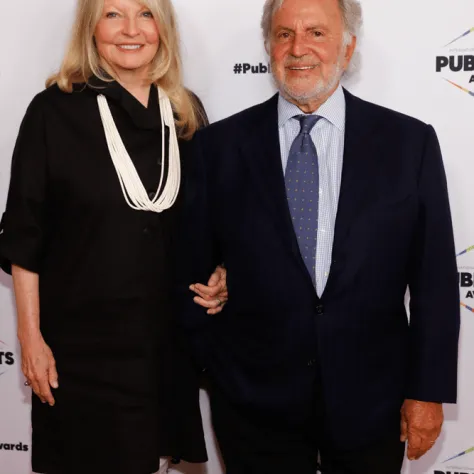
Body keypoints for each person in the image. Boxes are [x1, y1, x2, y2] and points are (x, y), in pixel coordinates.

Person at [178, 0, 460, 472]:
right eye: (284, 34)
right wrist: (216, 370)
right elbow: (191, 273)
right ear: (269, 46)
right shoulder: (217, 148)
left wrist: (426, 392)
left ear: (347, 48)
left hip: (373, 403)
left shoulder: (410, 145)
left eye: (316, 33)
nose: (298, 48)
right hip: (253, 406)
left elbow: (433, 283)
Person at [0, 0, 228, 473]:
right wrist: (30, 338)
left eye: (145, 13)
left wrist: (222, 272)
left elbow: (211, 223)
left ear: (162, 28)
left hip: (167, 349)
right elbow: (24, 235)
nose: (131, 29)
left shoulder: (186, 113)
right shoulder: (53, 112)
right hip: (82, 356)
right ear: (91, 28)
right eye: (112, 14)